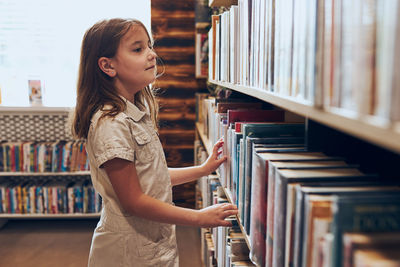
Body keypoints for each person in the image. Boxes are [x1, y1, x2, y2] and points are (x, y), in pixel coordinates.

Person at [71, 18, 238, 267]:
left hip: (151, 242)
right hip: (128, 250)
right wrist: (198, 217)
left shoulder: (135, 113)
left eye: (149, 46)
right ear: (108, 66)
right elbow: (135, 200)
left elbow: (152, 178)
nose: (152, 54)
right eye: (138, 49)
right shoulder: (111, 123)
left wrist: (203, 170)